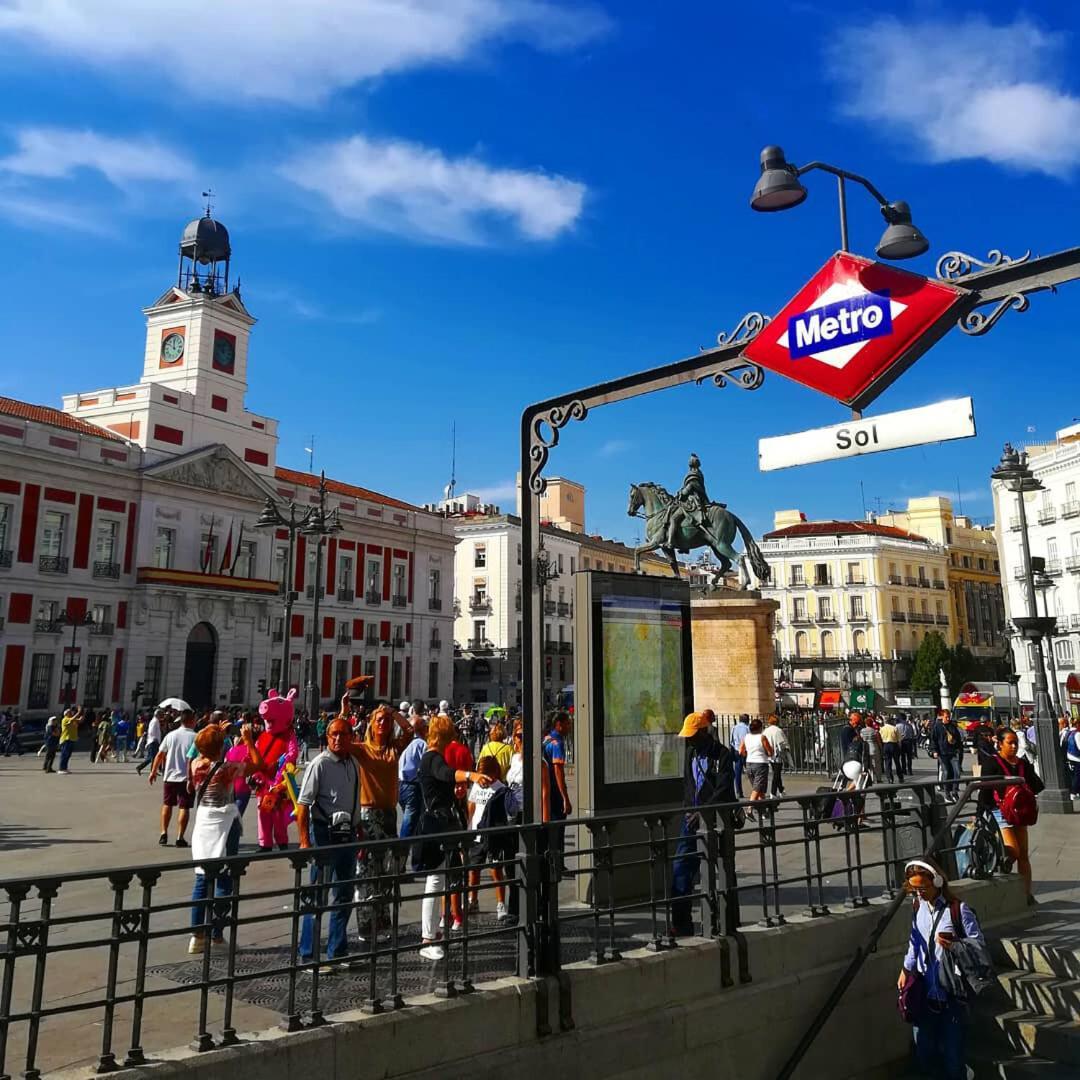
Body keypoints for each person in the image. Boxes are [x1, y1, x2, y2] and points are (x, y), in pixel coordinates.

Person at [898, 857, 987, 1080]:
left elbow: (979, 946)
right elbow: (914, 941)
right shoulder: (918, 907)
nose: (919, 893)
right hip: (924, 992)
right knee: (924, 1053)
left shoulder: (959, 911)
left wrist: (955, 945)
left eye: (923, 888)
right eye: (914, 888)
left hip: (953, 995)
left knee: (952, 1057)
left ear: (937, 882)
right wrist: (906, 969)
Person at [415, 714, 492, 961]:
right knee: (436, 880)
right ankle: (428, 937)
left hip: (441, 821)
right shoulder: (432, 758)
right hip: (437, 825)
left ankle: (433, 932)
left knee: (439, 879)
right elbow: (445, 773)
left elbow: (444, 779)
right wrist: (470, 776)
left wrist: (456, 789)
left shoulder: (431, 757)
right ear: (444, 736)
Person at [186, 722, 266, 953]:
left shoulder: (195, 764)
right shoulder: (226, 769)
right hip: (224, 823)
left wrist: (216, 732)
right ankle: (217, 935)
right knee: (224, 879)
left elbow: (209, 755)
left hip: (203, 822)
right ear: (221, 747)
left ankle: (197, 935)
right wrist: (249, 740)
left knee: (202, 878)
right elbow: (258, 764)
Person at [295, 718, 362, 973]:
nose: (337, 739)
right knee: (317, 896)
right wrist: (304, 842)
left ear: (350, 737)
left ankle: (337, 951)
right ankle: (308, 956)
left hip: (347, 835)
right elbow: (303, 806)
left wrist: (359, 828)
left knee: (344, 894)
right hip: (323, 834)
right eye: (333, 734)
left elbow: (354, 800)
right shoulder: (319, 764)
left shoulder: (353, 763)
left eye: (342, 734)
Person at [343, 701, 413, 945]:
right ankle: (366, 924)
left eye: (387, 721)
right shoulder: (363, 749)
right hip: (368, 815)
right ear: (372, 724)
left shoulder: (394, 748)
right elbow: (342, 740)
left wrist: (394, 712)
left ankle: (383, 922)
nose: (384, 724)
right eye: (380, 720)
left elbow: (410, 732)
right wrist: (345, 711)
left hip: (389, 814)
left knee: (386, 871)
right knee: (367, 872)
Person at [671, 710, 735, 937]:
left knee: (723, 869)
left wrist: (703, 811)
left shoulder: (723, 754)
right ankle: (680, 923)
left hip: (716, 819)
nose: (688, 740)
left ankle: (725, 919)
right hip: (691, 819)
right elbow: (688, 784)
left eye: (692, 735)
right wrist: (689, 810)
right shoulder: (690, 753)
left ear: (703, 732)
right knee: (680, 868)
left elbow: (724, 787)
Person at [979, 729, 1044, 903]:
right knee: (1013, 850)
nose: (1014, 746)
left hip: (1020, 812)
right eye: (1010, 742)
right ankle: (1001, 863)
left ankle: (1026, 894)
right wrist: (980, 814)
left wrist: (1025, 785)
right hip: (1000, 812)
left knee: (1023, 854)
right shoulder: (991, 763)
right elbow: (984, 791)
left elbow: (1038, 785)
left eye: (1015, 742)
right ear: (1000, 744)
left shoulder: (1022, 763)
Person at [466, 755, 514, 923]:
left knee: (496, 870)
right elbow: (471, 805)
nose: (483, 779)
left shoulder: (500, 788)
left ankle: (501, 904)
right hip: (476, 834)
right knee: (474, 869)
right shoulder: (477, 785)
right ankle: (473, 900)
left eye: (485, 775)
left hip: (493, 835)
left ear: (494, 773)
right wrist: (468, 826)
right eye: (480, 775)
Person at [148, 706, 197, 847]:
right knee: (184, 807)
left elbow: (160, 754)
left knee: (167, 804)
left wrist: (153, 771)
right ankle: (180, 837)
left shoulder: (171, 735)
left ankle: (163, 833)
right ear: (191, 721)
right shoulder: (196, 737)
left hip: (169, 776)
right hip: (187, 778)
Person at [542, 713, 572, 874]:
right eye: (567, 724)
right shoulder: (557, 742)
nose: (570, 727)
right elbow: (558, 770)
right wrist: (565, 798)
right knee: (558, 829)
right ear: (558, 724)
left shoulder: (546, 738)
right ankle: (557, 864)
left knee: (549, 829)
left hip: (544, 788)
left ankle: (549, 862)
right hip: (554, 790)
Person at [398, 713, 428, 841]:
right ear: (422, 729)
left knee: (409, 817)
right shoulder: (421, 744)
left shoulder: (403, 742)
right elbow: (425, 767)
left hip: (400, 784)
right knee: (410, 821)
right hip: (412, 785)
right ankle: (402, 848)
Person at [738, 717, 772, 815]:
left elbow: (741, 751)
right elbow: (769, 752)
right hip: (760, 763)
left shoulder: (746, 737)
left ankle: (763, 811)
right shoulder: (762, 737)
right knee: (757, 788)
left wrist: (747, 755)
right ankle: (749, 808)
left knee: (759, 789)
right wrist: (768, 752)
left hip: (749, 763)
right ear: (760, 728)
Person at [930, 711, 965, 803]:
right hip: (942, 753)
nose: (948, 719)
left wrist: (959, 749)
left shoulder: (952, 726)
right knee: (947, 772)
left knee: (957, 772)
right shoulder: (937, 727)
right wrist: (934, 751)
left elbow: (958, 739)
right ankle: (947, 793)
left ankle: (955, 791)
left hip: (953, 752)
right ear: (941, 717)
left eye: (949, 717)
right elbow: (933, 740)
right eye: (946, 717)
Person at [478, 717, 513, 781]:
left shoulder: (486, 747)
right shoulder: (509, 749)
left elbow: (479, 764)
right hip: (503, 780)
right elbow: (513, 767)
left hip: (488, 779)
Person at [762, 714, 788, 796]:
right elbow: (783, 743)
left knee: (777, 773)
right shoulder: (778, 730)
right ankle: (773, 792)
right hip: (777, 755)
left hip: (768, 754)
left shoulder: (765, 731)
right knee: (776, 774)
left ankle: (781, 790)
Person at [136, 709, 164, 775]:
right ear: (157, 714)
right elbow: (151, 731)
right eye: (160, 714)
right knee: (153, 757)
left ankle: (148, 769)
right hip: (153, 742)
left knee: (152, 757)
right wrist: (155, 739)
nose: (161, 716)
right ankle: (149, 770)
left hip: (153, 741)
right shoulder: (154, 721)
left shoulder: (156, 721)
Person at [729, 713, 750, 799]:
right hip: (745, 751)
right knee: (750, 771)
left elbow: (731, 741)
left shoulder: (734, 728)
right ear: (747, 720)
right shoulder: (747, 728)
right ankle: (756, 789)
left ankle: (738, 791)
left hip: (736, 751)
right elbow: (748, 740)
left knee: (737, 772)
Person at [57, 706, 82, 774]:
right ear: (65, 714)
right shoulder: (65, 719)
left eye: (70, 712)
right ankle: (61, 769)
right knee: (64, 755)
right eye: (69, 712)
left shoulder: (72, 720)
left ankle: (65, 768)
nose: (71, 713)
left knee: (68, 755)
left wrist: (80, 716)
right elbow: (72, 719)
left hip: (71, 739)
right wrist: (78, 712)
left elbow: (78, 721)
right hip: (66, 739)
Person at [879, 715, 902, 783]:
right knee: (897, 762)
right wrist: (899, 747)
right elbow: (899, 740)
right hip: (894, 745)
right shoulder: (894, 728)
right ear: (891, 722)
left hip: (885, 745)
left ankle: (890, 778)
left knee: (888, 762)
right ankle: (900, 777)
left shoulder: (882, 729)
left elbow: (880, 738)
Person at [1066, 718, 1080, 802]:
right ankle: (1074, 792)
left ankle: (1076, 792)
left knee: (1075, 775)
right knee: (1077, 776)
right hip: (1077, 757)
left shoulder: (1069, 733)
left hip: (1070, 756)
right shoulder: (1077, 734)